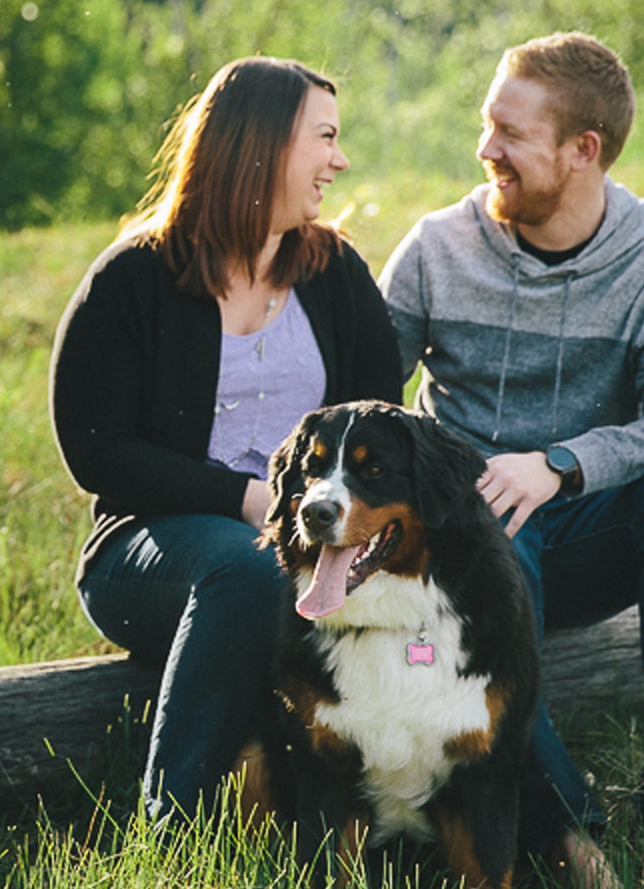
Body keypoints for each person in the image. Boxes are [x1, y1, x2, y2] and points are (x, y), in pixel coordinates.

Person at [382, 34, 644, 889]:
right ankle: (567, 830)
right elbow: (366, 401)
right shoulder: (435, 250)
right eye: (485, 123)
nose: (484, 149)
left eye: (510, 133)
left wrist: (562, 464)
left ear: (585, 151)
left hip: (584, 520)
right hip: (472, 532)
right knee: (495, 533)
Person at [50, 56, 402, 824]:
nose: (339, 161)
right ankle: (169, 827)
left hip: (319, 547)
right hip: (150, 549)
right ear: (265, 143)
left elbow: (382, 424)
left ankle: (544, 830)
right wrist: (247, 500)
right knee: (246, 571)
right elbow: (97, 450)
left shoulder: (335, 273)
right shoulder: (132, 278)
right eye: (326, 138)